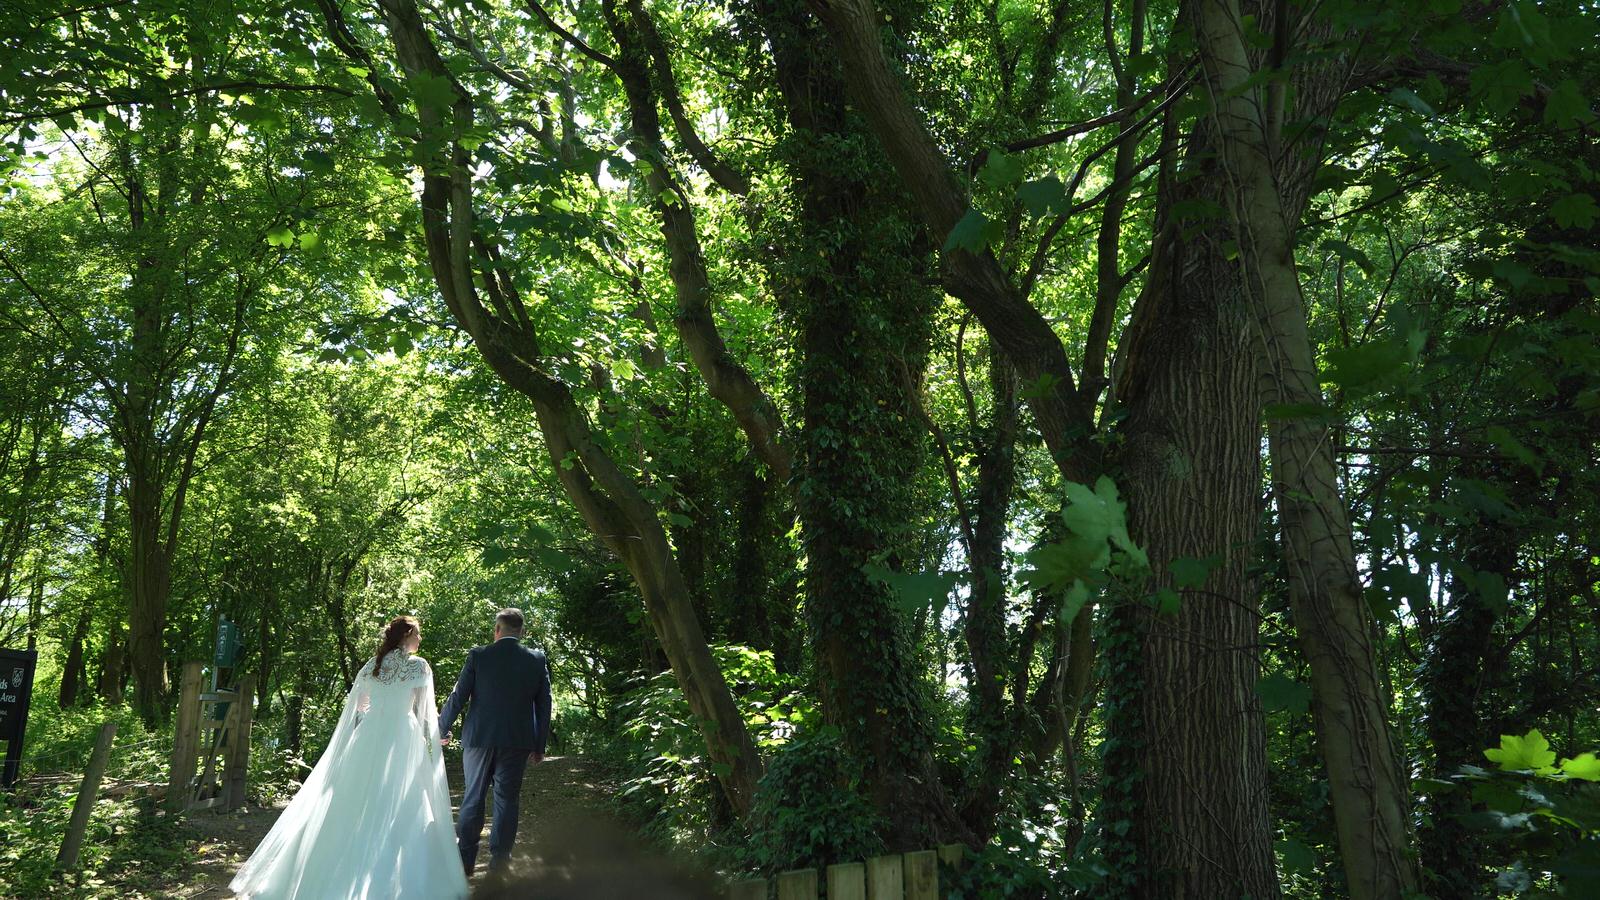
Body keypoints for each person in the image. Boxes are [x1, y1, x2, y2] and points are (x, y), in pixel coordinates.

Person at [230, 616, 468, 899]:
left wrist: (377, 714)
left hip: (368, 736)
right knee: (402, 799)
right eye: (417, 634)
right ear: (406, 636)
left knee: (352, 801)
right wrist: (435, 733)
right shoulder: (418, 666)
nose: (420, 639)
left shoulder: (371, 665)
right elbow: (422, 709)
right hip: (401, 736)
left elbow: (359, 705)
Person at [437, 607, 553, 877]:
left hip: (478, 738)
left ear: (496, 630)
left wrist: (441, 728)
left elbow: (459, 696)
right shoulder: (536, 659)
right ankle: (500, 864)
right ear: (521, 632)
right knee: (507, 800)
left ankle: (465, 861)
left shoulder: (479, 655)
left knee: (472, 798)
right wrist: (539, 745)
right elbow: (544, 704)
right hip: (517, 740)